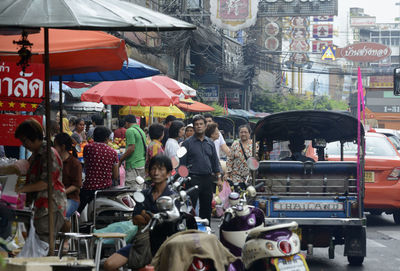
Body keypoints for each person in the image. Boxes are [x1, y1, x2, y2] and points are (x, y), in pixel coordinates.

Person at [0, 119, 67, 244]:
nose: (24, 144)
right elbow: (22, 169)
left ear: (34, 137)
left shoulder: (49, 154)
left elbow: (46, 183)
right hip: (38, 207)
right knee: (35, 243)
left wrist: (20, 190)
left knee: (43, 245)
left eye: (24, 141)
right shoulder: (36, 154)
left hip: (50, 207)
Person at [104, 154, 175, 271]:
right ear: (149, 172)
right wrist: (152, 218)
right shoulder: (144, 194)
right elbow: (136, 219)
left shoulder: (172, 197)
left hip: (164, 246)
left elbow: (170, 222)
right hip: (141, 244)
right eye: (153, 169)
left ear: (168, 173)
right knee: (109, 264)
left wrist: (146, 215)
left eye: (161, 169)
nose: (156, 172)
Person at [180, 114, 222, 224]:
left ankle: (206, 231)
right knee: (191, 209)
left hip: (207, 179)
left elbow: (215, 162)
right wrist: (184, 180)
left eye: (201, 124)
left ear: (205, 126)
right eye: (196, 125)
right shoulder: (187, 143)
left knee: (207, 208)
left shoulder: (210, 143)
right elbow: (182, 165)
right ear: (193, 127)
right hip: (192, 179)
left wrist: (219, 178)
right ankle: (191, 231)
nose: (199, 126)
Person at [77, 126, 119, 213]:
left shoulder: (87, 148)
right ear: (107, 138)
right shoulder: (113, 152)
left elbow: (86, 164)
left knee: (77, 210)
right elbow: (115, 175)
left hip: (88, 188)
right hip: (105, 189)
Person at [54, 133, 82, 219]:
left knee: (60, 216)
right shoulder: (53, 161)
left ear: (62, 147)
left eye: (55, 146)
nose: (53, 148)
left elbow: (77, 185)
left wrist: (61, 193)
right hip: (54, 198)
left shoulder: (74, 163)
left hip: (70, 199)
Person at [119, 115, 147, 189]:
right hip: (141, 164)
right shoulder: (141, 131)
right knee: (140, 189)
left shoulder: (130, 130)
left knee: (132, 190)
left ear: (127, 123)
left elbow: (131, 148)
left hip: (133, 165)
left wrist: (121, 159)